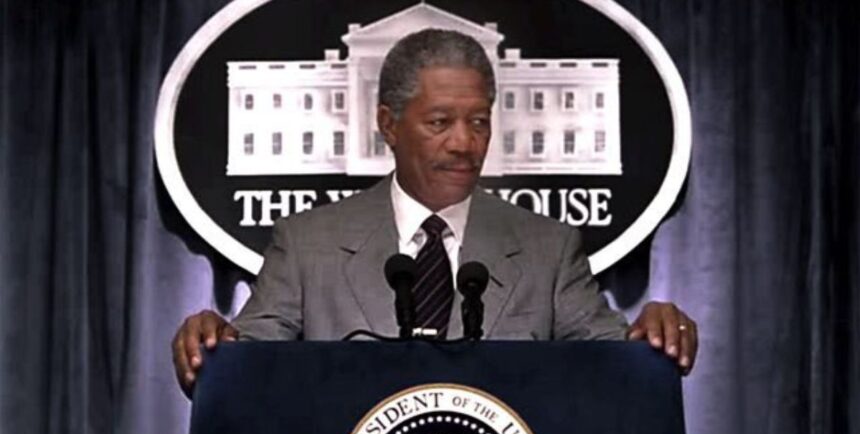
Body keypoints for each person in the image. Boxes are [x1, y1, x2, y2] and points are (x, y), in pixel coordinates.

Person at [172, 29, 698, 396]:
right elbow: (244, 368)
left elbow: (614, 364)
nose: (464, 144)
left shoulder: (548, 248)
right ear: (389, 124)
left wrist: (652, 335)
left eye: (479, 122)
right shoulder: (309, 245)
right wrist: (212, 342)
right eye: (440, 122)